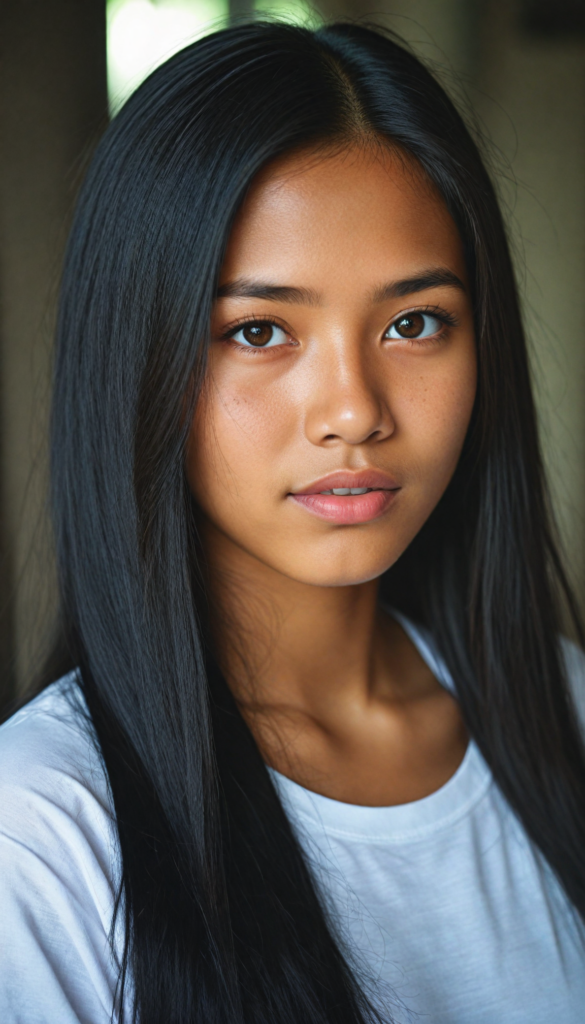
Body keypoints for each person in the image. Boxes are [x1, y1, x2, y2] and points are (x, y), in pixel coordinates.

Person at [0, 19, 584, 1024]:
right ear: (139, 358)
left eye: (414, 323)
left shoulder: (565, 713)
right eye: (260, 330)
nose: (353, 411)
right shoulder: (45, 836)